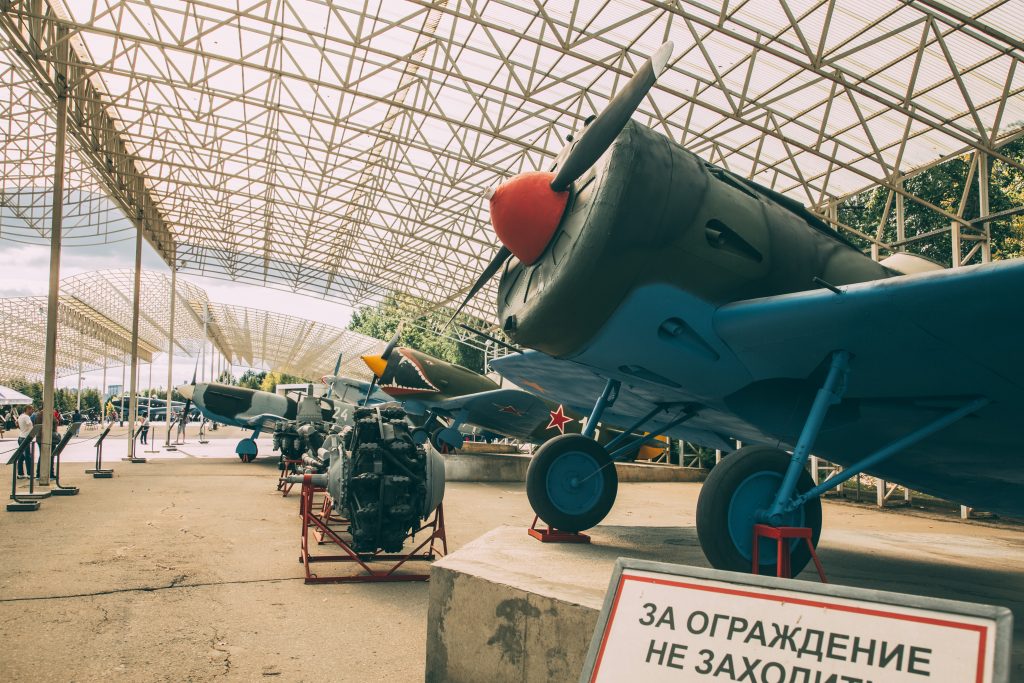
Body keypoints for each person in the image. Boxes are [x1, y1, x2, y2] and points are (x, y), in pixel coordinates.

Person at [16, 406, 35, 479]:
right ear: (27, 409)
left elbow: (16, 423)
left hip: (21, 437)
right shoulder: (27, 417)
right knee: (28, 456)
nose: (32, 411)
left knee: (21, 456)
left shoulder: (21, 416)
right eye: (31, 410)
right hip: (25, 438)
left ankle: (20, 473)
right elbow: (30, 424)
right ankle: (30, 474)